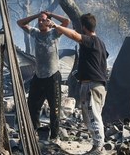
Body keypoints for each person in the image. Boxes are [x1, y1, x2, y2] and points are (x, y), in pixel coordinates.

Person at [49, 13, 109, 155]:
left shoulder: (91, 41)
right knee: (91, 116)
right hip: (96, 85)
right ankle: (96, 145)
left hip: (91, 86)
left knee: (93, 117)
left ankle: (99, 148)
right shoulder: (100, 43)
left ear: (83, 27)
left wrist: (56, 26)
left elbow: (75, 36)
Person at [17, 11, 70, 141]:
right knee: (32, 105)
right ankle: (34, 131)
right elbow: (20, 23)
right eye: (39, 21)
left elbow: (66, 22)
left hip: (52, 75)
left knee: (54, 108)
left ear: (49, 22)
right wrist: (37, 15)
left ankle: (54, 136)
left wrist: (51, 14)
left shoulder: (55, 33)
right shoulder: (35, 33)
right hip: (39, 75)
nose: (40, 23)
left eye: (43, 20)